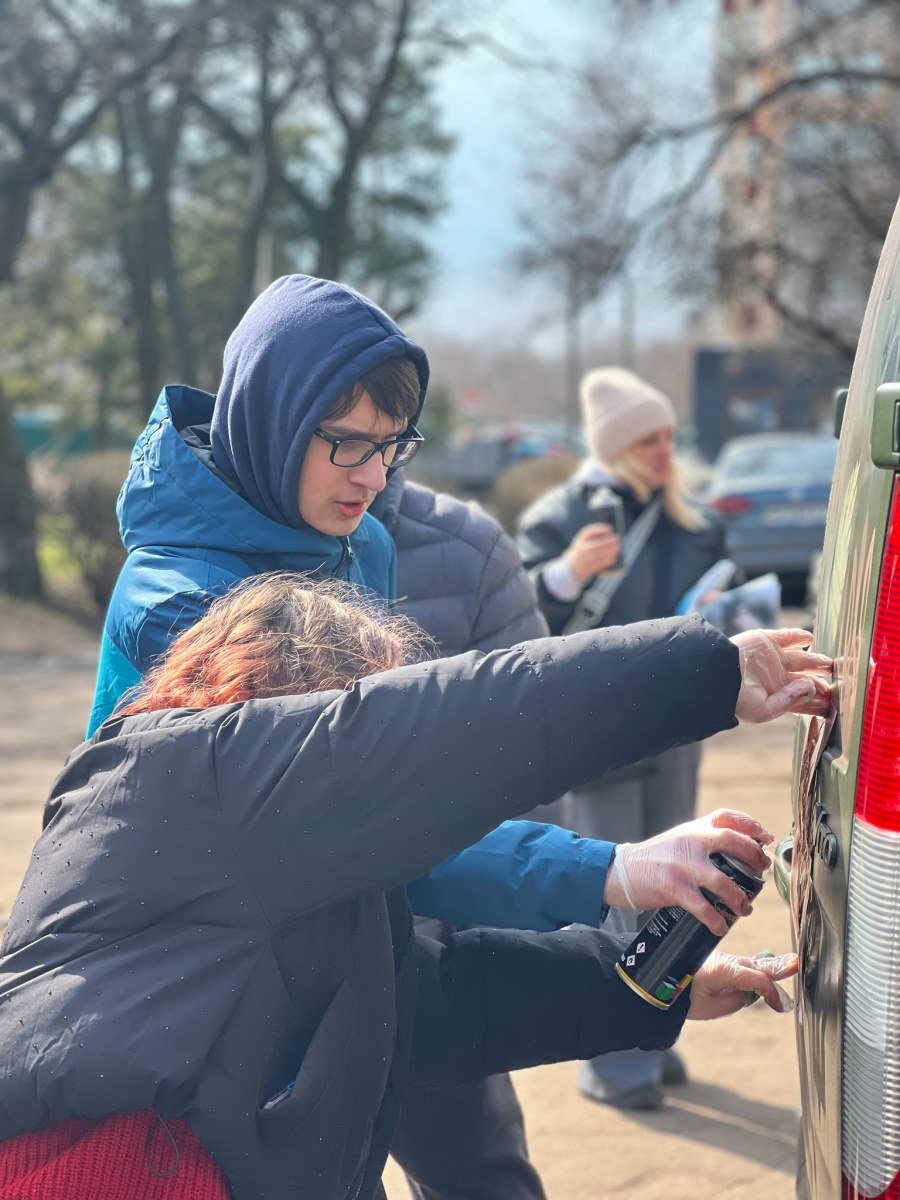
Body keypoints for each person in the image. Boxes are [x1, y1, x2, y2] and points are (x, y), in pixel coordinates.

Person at [0, 573, 826, 1200]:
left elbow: (441, 999)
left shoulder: (329, 884)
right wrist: (707, 673)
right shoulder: (179, 773)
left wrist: (650, 988)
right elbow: (450, 725)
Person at [516, 366, 728, 1109]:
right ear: (615, 446)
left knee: (680, 889)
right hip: (599, 730)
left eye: (670, 435)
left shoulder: (689, 518)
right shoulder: (561, 514)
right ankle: (610, 1058)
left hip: (677, 724)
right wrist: (568, 574)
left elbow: (713, 599)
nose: (664, 450)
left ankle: (653, 1033)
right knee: (612, 890)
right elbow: (519, 619)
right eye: (648, 438)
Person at [369, 467, 550, 1200]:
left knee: (479, 1174)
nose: (365, 467)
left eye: (387, 437)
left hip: (429, 947)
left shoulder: (469, 549)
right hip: (263, 970)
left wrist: (484, 945)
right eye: (339, 437)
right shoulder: (193, 565)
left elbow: (534, 755)